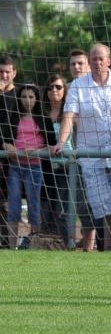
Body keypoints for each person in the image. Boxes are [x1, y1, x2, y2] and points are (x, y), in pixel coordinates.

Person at [51, 43, 111, 252]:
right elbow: (68, 115)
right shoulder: (77, 85)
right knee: (101, 204)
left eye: (101, 58)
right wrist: (61, 141)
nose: (97, 62)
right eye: (93, 59)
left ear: (109, 61)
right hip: (91, 155)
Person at [2, 84, 57, 249]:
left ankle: (34, 243)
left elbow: (52, 146)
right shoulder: (13, 118)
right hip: (15, 168)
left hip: (35, 168)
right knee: (13, 206)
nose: (27, 100)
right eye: (24, 97)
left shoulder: (43, 119)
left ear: (36, 99)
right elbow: (5, 142)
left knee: (34, 206)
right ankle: (12, 247)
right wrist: (14, 150)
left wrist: (34, 152)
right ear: (19, 99)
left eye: (31, 97)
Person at [40, 74, 76, 249]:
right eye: (50, 87)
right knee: (45, 209)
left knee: (62, 209)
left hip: (65, 166)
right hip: (44, 166)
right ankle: (47, 245)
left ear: (65, 90)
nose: (54, 90)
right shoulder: (41, 113)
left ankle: (66, 246)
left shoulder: (70, 114)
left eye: (58, 87)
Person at [68, 49, 98, 251]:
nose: (77, 67)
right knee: (81, 204)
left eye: (80, 63)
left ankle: (94, 245)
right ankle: (87, 245)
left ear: (88, 65)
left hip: (98, 154)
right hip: (77, 154)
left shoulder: (96, 87)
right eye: (73, 64)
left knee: (95, 204)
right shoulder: (71, 88)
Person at [0, 54, 18, 248]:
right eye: (1, 72)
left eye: (7, 72)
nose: (4, 76)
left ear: (14, 72)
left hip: (14, 157)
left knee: (11, 204)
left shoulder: (20, 96)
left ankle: (8, 243)